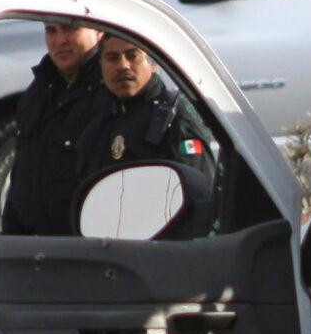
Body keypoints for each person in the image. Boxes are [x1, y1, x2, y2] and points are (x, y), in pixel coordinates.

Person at [80, 30, 217, 233]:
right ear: (101, 65)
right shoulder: (97, 126)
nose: (123, 65)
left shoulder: (177, 119)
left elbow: (199, 200)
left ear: (153, 64)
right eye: (112, 58)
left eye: (132, 55)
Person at [0, 21, 106, 236]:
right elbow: (23, 169)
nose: (60, 40)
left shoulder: (111, 91)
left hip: (86, 243)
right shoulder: (40, 89)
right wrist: (9, 237)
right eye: (51, 31)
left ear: (98, 31)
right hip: (34, 242)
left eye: (70, 28)